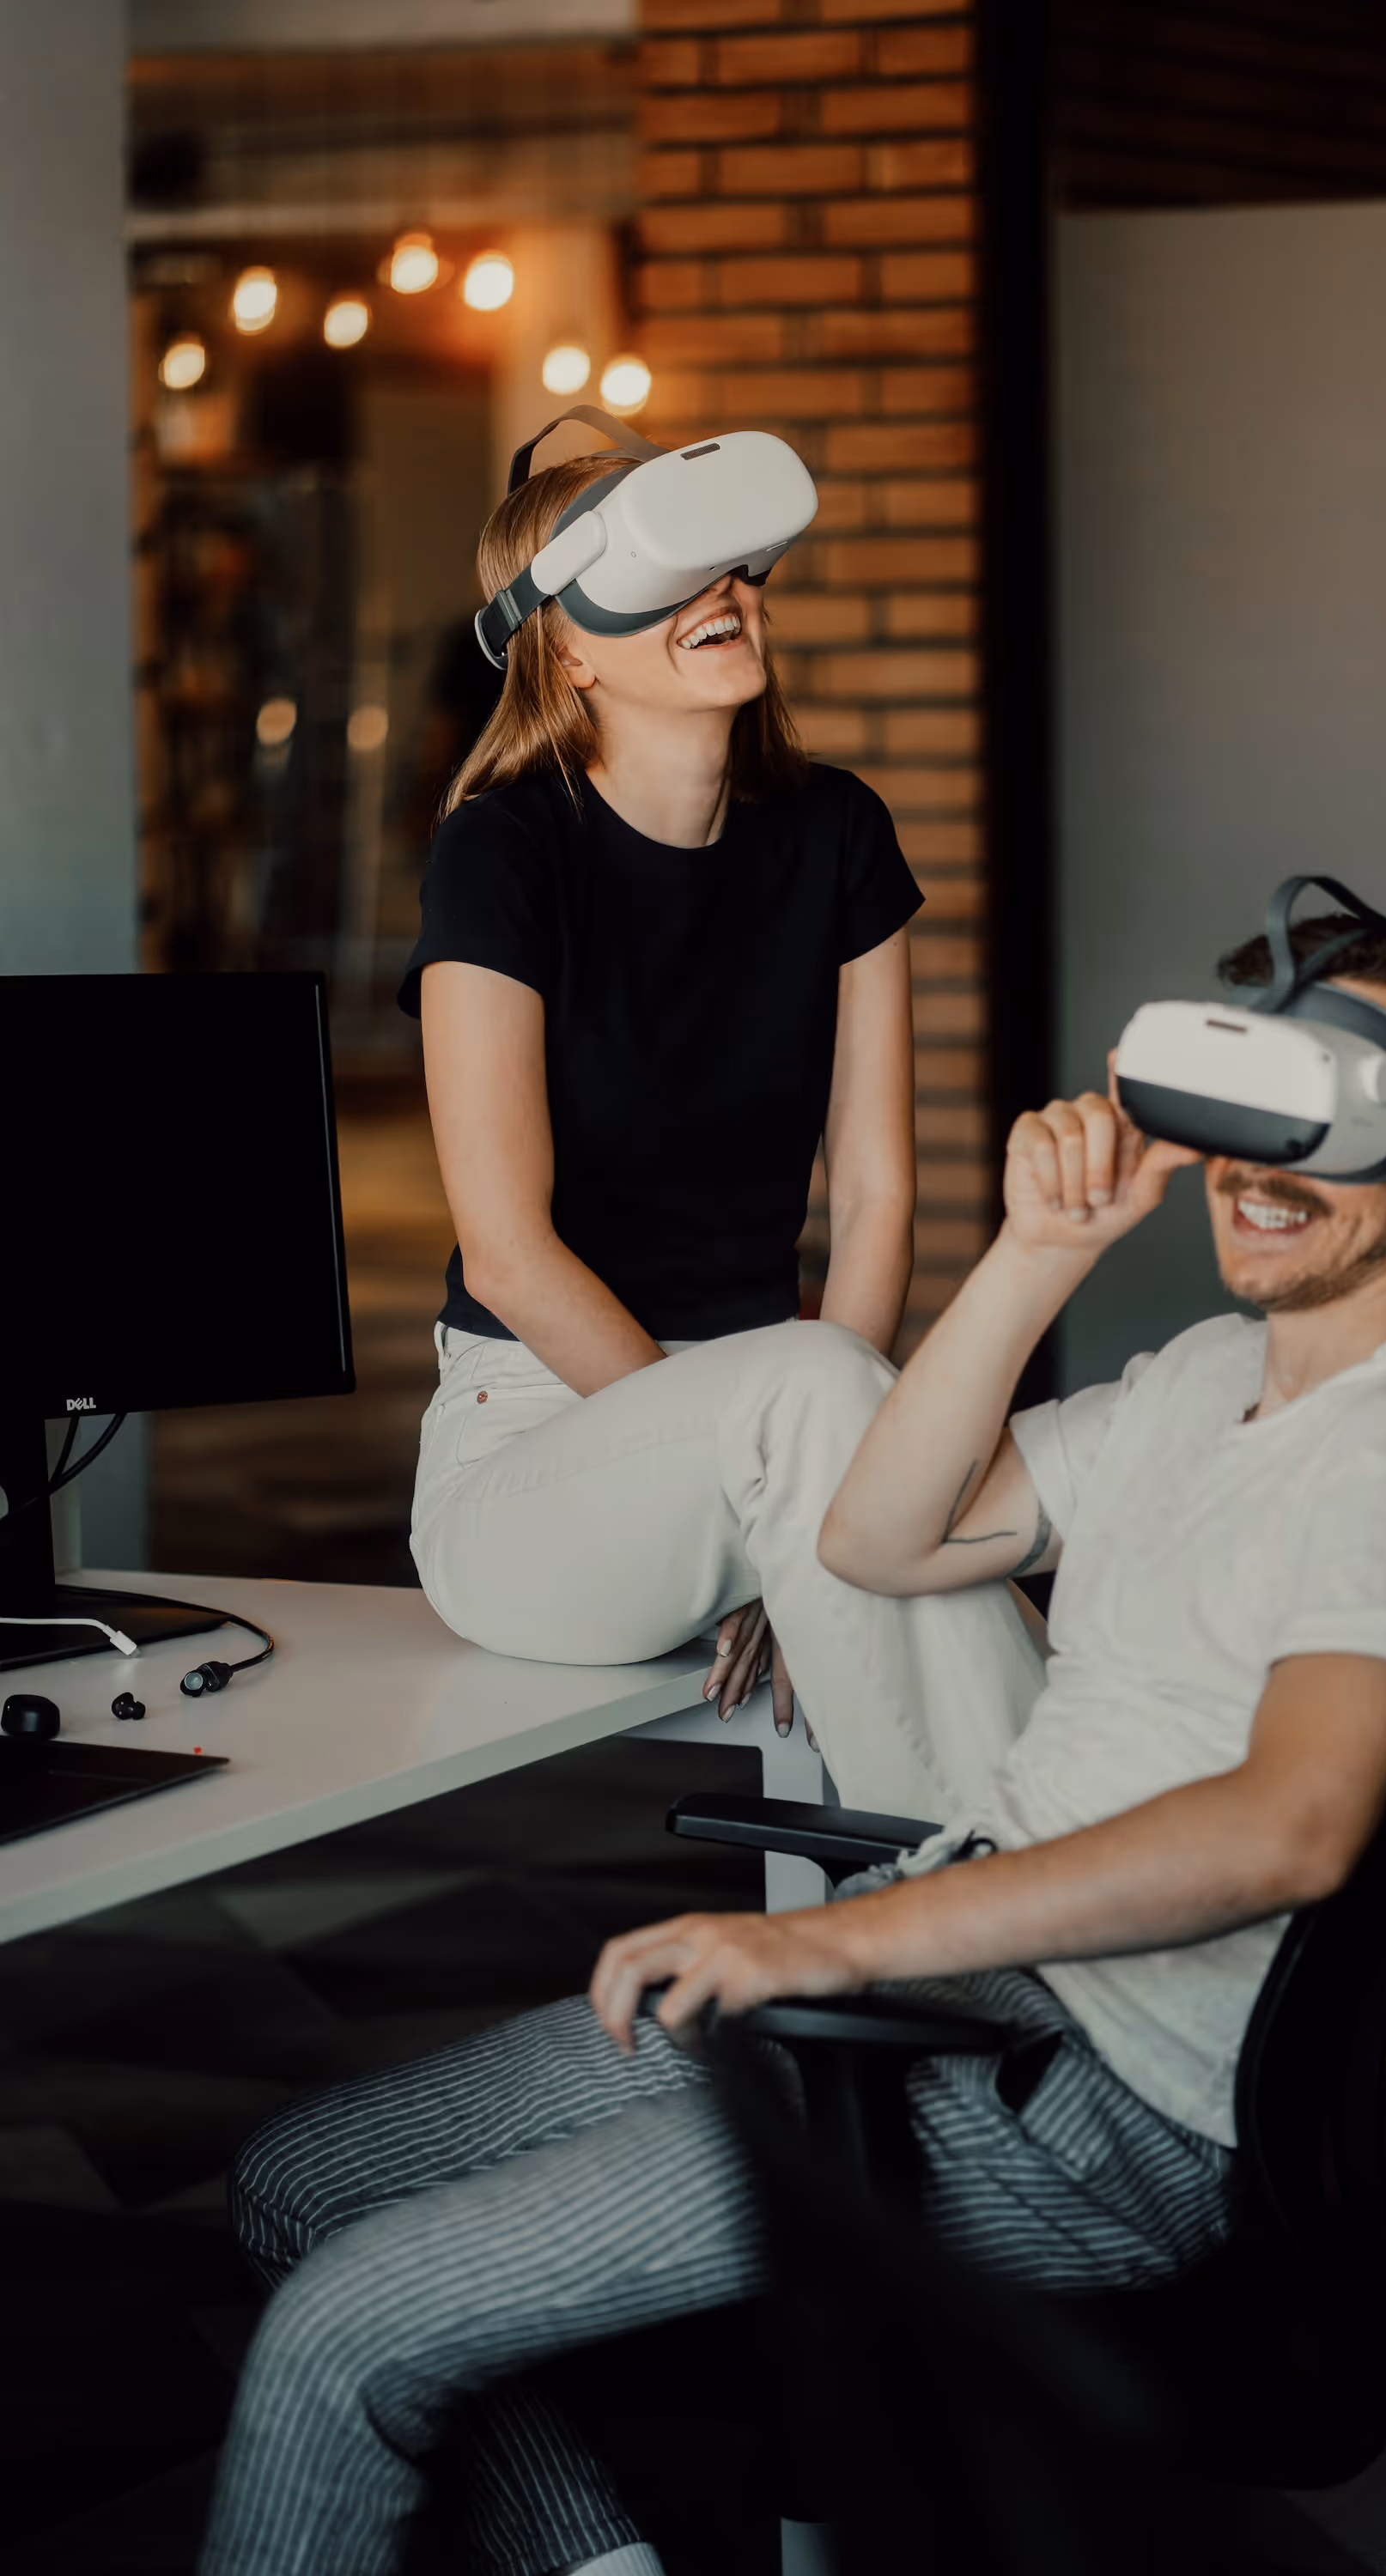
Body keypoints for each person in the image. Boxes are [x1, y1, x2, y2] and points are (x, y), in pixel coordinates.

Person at [198, 910, 1386, 2576]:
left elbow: (1290, 1826)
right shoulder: (1216, 1373)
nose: (1259, 1169)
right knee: (295, 2180)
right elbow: (883, 1537)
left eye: (1337, 1117)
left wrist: (818, 1942)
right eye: (1247, 1100)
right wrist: (1039, 1251)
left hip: (1067, 2097)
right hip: (945, 1997)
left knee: (345, 2328)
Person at [399, 443, 1043, 1753]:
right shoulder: (500, 857)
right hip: (538, 1442)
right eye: (664, 573)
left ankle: (961, 1901)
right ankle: (1065, 1876)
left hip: (801, 1416)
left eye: (735, 564)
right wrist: (766, 1498)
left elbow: (874, 1197)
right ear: (567, 651)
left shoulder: (838, 833)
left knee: (873, 1491)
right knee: (846, 1452)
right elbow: (512, 1259)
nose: (723, 593)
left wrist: (791, 1497)